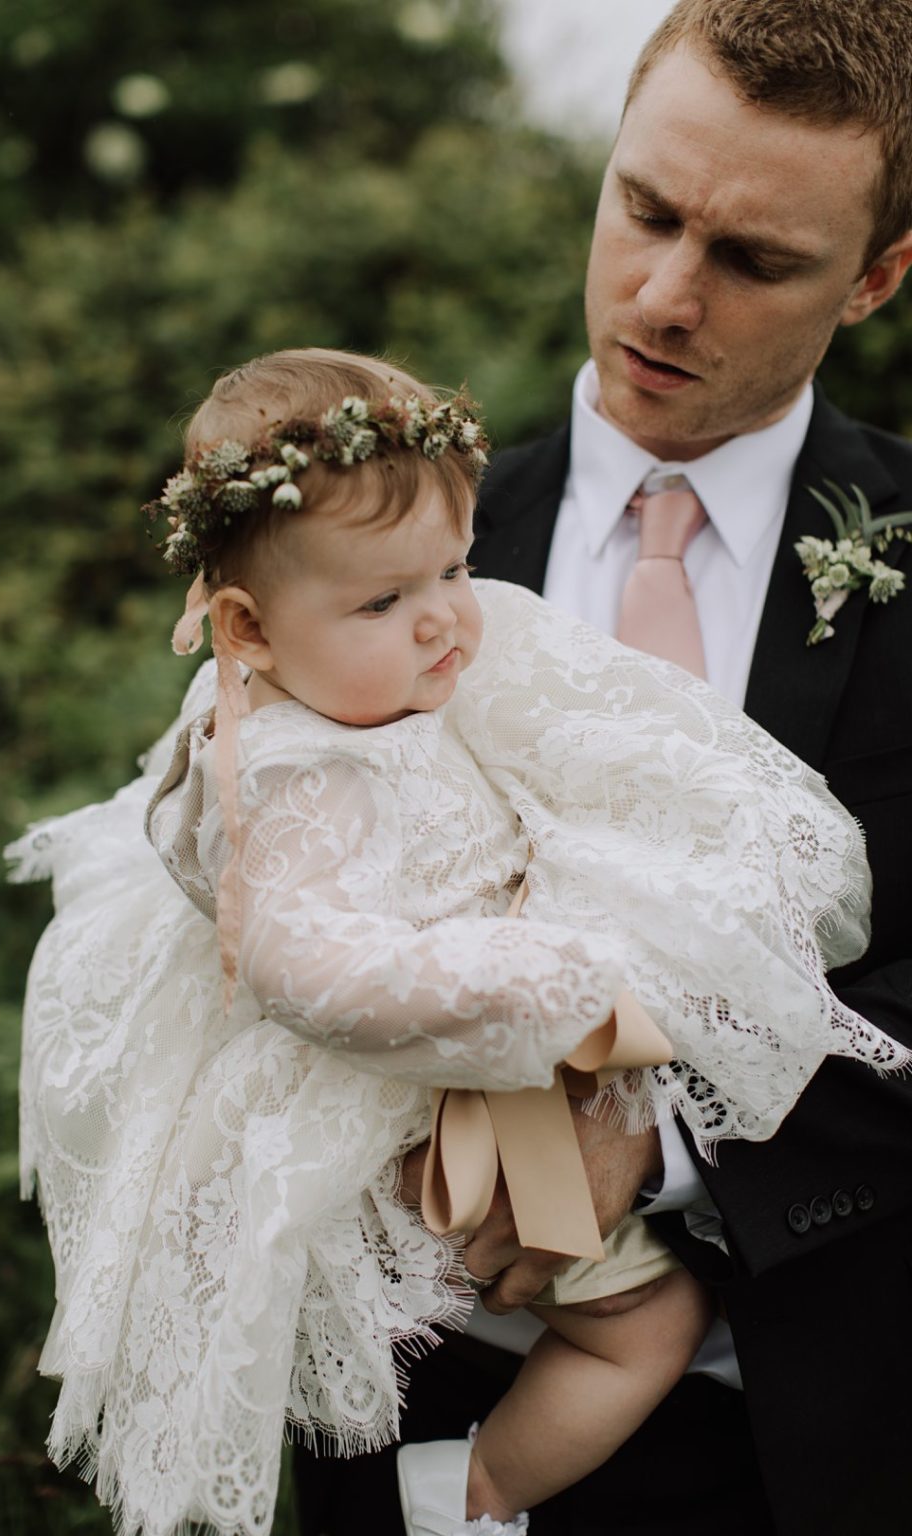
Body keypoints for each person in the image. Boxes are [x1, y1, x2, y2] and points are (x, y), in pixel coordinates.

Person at [9, 348, 903, 1536]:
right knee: (645, 1326)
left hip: (811, 1375)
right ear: (246, 627)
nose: (443, 619)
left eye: (456, 569)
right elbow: (302, 960)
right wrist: (546, 977)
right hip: (458, 1116)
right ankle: (463, 1499)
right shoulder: (298, 773)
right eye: (384, 602)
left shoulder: (345, 688)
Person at [292, 4, 912, 1534]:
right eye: (644, 210)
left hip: (812, 1427)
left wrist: (659, 1125)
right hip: (408, 1414)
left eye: (756, 261)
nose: (664, 295)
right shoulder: (386, 545)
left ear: (879, 278)